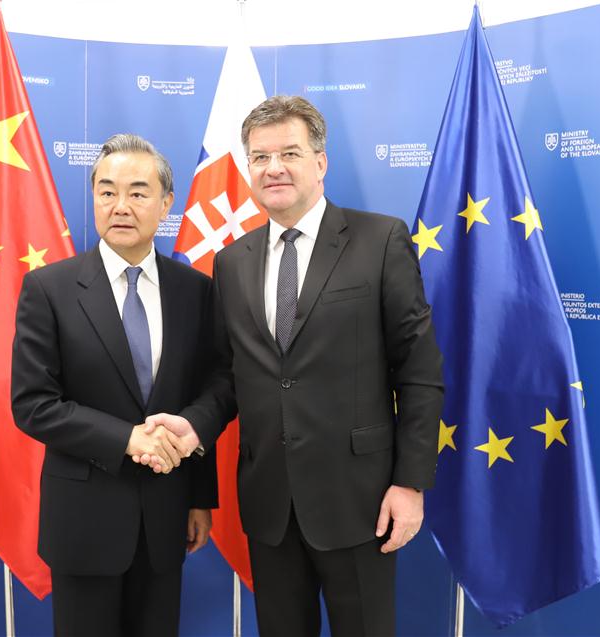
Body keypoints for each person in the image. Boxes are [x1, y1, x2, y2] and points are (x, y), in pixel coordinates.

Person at [146, 96, 444, 636]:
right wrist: (194, 426)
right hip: (271, 506)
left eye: (289, 153)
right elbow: (229, 377)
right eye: (260, 157)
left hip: (362, 501)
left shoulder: (380, 240)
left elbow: (419, 373)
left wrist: (410, 483)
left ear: (320, 162)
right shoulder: (231, 262)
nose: (274, 168)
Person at [11, 133, 215, 637]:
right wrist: (127, 439)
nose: (120, 205)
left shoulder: (195, 290)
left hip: (167, 517)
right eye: (107, 191)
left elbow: (207, 391)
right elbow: (33, 404)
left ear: (166, 203)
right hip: (84, 522)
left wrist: (199, 498)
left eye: (138, 192)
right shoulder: (49, 288)